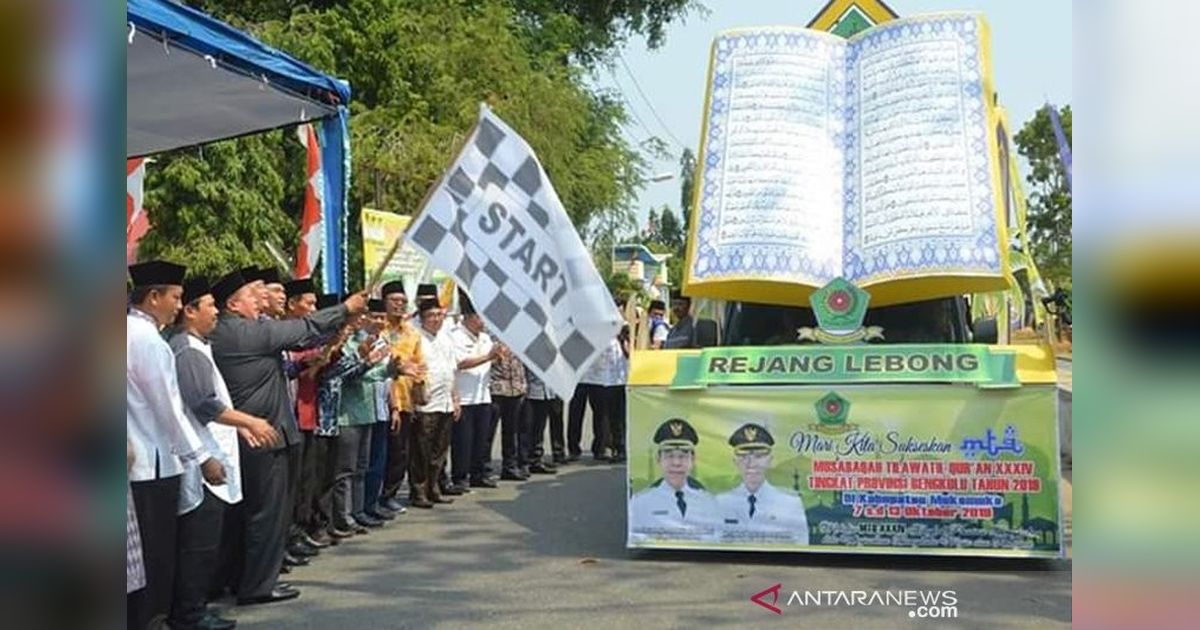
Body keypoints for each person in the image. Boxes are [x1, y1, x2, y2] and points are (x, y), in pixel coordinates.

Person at [208, 269, 365, 606]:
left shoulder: (231, 331)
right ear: (233, 304)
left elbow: (305, 340)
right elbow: (305, 328)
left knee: (249, 514)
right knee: (267, 513)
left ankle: (239, 579)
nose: (261, 300)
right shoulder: (243, 332)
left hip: (255, 434)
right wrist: (345, 308)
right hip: (263, 436)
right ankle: (258, 585)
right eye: (254, 295)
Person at [169, 277, 282, 630]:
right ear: (190, 312)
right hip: (200, 456)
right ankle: (189, 613)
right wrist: (251, 421)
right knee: (198, 544)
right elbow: (203, 403)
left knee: (212, 540)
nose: (215, 312)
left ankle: (199, 604)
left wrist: (243, 427)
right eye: (210, 306)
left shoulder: (198, 346)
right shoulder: (186, 349)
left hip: (214, 450)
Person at [127, 260, 218, 630]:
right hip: (152, 463)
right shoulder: (147, 340)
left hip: (139, 461)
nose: (180, 306)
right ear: (153, 297)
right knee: (154, 558)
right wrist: (203, 457)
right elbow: (169, 409)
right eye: (176, 297)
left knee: (137, 562)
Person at [628, 418, 720, 542]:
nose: (676, 463)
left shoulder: (709, 501)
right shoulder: (640, 502)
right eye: (669, 456)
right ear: (658, 459)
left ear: (692, 460)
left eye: (682, 456)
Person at [715, 423, 809, 544]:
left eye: (759, 456)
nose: (751, 463)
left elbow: (801, 548)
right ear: (735, 462)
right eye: (744, 456)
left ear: (770, 460)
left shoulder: (790, 504)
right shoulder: (721, 503)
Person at [409, 297, 460, 508]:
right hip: (425, 403)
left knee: (440, 449)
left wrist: (456, 399)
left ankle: (434, 486)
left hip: (445, 402)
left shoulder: (446, 338)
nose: (436, 319)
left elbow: (452, 371)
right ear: (422, 318)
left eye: (439, 315)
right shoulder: (416, 338)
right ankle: (418, 490)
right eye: (431, 315)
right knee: (421, 450)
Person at [380, 280, 425, 513]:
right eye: (394, 301)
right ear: (384, 302)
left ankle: (389, 495)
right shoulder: (379, 329)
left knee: (400, 452)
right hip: (381, 401)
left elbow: (419, 366)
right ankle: (374, 497)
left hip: (405, 401)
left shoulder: (412, 334)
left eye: (403, 301)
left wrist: (420, 392)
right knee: (380, 453)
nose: (399, 305)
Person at [449, 291, 500, 491]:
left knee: (482, 439)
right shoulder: (456, 336)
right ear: (468, 317)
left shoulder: (486, 338)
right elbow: (460, 363)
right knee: (463, 441)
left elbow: (490, 361)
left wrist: (497, 358)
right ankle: (460, 477)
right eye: (480, 317)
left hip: (483, 395)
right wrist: (488, 357)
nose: (483, 322)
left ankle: (478, 473)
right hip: (464, 397)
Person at [568, 329, 623, 463]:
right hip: (578, 376)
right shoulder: (577, 326)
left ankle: (600, 448)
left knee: (601, 414)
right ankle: (573, 449)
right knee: (576, 414)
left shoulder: (610, 330)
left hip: (600, 377)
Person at [489, 341, 527, 480]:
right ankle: (484, 468)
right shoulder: (489, 336)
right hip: (496, 389)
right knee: (489, 433)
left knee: (511, 432)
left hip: (516, 389)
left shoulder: (517, 336)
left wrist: (523, 386)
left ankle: (510, 466)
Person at [519, 366, 560, 474]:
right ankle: (523, 462)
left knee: (539, 429)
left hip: (547, 391)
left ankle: (536, 460)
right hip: (529, 391)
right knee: (526, 429)